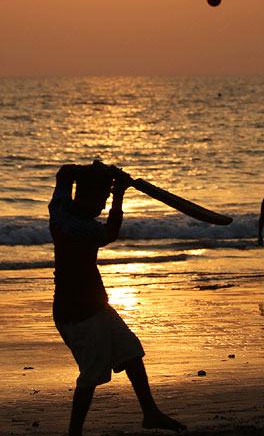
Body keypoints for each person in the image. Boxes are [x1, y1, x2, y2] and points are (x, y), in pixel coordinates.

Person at [49, 160, 186, 436]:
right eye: (101, 199)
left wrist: (101, 170)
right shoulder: (79, 228)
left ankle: (150, 413)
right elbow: (110, 233)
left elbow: (64, 172)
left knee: (132, 352)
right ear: (87, 196)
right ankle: (74, 433)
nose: (102, 207)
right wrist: (120, 192)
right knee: (91, 375)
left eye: (106, 200)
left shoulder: (59, 208)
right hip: (78, 314)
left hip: (97, 306)